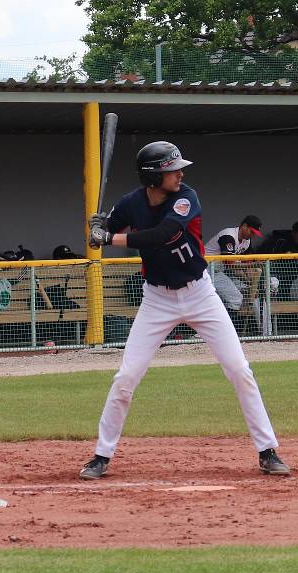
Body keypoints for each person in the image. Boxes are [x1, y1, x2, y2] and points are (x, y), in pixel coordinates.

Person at [81, 141, 289, 480]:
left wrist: (108, 239)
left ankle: (267, 451)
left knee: (239, 369)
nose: (180, 173)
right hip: (156, 300)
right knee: (126, 377)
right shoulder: (131, 203)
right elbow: (107, 226)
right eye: (172, 169)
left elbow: (162, 235)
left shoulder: (186, 197)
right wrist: (97, 225)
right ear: (153, 176)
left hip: (200, 294)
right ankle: (101, 455)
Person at [204, 215, 264, 316]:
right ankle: (226, 330)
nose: (253, 235)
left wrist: (252, 283)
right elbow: (230, 264)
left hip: (219, 271)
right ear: (244, 226)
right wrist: (251, 266)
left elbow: (247, 263)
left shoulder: (246, 241)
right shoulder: (228, 236)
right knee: (235, 299)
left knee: (239, 297)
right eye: (252, 232)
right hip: (205, 269)